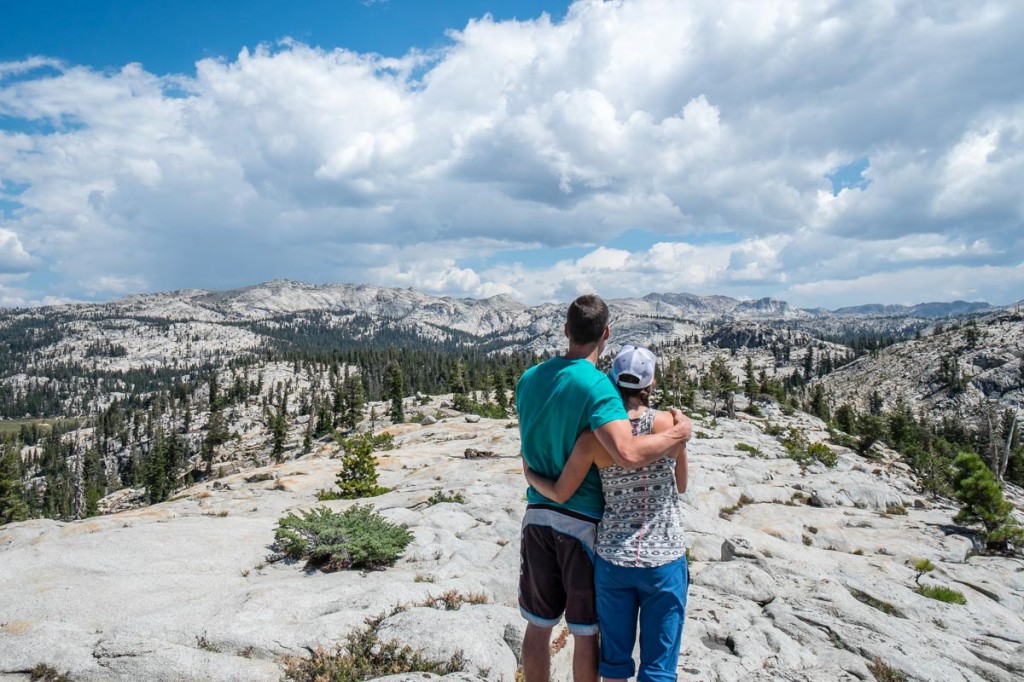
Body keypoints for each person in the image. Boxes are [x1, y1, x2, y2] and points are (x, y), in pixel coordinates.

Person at [516, 295, 692, 682]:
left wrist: (531, 477)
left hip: (537, 513)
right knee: (584, 632)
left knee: (538, 625)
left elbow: (534, 439)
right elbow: (628, 451)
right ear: (606, 333)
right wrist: (679, 433)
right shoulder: (599, 388)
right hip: (581, 519)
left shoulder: (529, 378)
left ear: (566, 331)